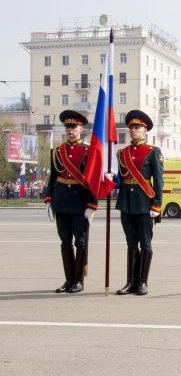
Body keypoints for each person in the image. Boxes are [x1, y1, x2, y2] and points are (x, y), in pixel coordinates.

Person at [44, 110, 98, 293]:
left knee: (80, 242)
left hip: (79, 201)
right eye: (67, 127)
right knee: (65, 242)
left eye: (73, 127)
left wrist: (92, 205)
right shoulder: (59, 150)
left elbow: (93, 179)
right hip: (61, 201)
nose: (70, 130)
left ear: (81, 129)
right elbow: (54, 176)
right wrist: (49, 199)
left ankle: (78, 281)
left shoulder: (89, 150)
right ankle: (68, 280)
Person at [115, 110, 164, 296]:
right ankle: (131, 282)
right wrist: (111, 179)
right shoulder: (122, 153)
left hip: (144, 203)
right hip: (126, 202)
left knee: (145, 243)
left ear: (145, 131)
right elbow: (120, 179)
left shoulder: (153, 152)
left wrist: (156, 205)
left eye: (137, 127)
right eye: (131, 128)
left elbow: (158, 181)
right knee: (130, 244)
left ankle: (143, 282)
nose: (133, 130)